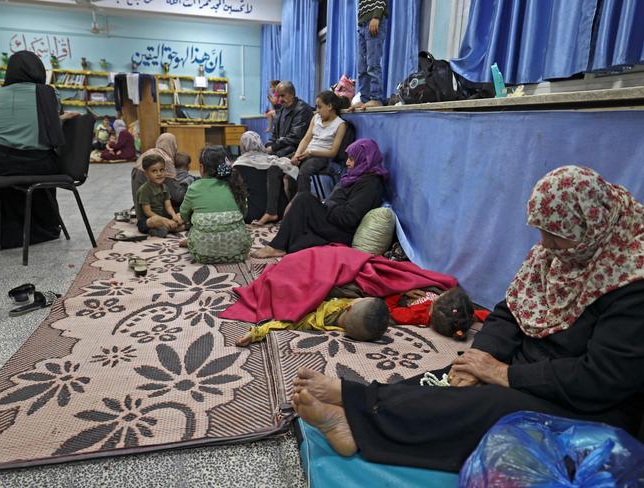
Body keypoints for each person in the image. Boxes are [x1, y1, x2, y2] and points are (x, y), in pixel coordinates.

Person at [291, 165, 644, 472]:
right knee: (449, 379)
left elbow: (603, 377)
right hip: (533, 368)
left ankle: (357, 424)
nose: (545, 244)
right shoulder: (559, 254)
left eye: (555, 235)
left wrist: (505, 375)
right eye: (542, 232)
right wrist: (477, 360)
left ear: (590, 227)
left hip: (589, 403)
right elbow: (510, 312)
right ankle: (359, 400)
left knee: (491, 406)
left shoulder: (630, 281)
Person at [0, 50, 79, 249]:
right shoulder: (50, 94)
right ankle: (43, 228)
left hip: (2, 167)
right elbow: (42, 126)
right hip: (41, 167)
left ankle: (3, 233)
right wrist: (62, 119)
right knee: (46, 156)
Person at [252, 138, 387, 258]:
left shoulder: (370, 184)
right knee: (302, 211)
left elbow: (350, 217)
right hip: (333, 219)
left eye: (352, 159)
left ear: (365, 160)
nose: (347, 162)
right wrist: (325, 204)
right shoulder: (356, 177)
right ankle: (281, 244)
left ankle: (277, 246)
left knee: (304, 198)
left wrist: (327, 205)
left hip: (342, 230)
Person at [255, 91, 348, 226]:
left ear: (330, 106)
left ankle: (301, 213)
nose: (317, 110)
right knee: (275, 168)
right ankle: (272, 212)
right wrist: (297, 155)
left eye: (319, 107)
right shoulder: (316, 118)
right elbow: (305, 139)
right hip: (306, 153)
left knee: (303, 173)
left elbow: (333, 152)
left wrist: (311, 152)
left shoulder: (340, 125)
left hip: (321, 156)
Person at [178, 145, 251, 264]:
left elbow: (183, 215)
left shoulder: (194, 188)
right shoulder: (235, 184)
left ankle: (198, 239)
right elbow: (244, 213)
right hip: (239, 252)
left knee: (195, 216)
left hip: (202, 254)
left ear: (201, 168)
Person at [236, 297, 390, 346]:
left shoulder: (314, 320)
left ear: (349, 306)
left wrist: (256, 333)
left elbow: (286, 323)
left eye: (363, 298)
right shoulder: (352, 320)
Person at [263, 82, 313, 221]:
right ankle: (277, 209)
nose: (279, 100)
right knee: (259, 163)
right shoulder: (283, 109)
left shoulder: (303, 109)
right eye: (278, 96)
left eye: (282, 96)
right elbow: (275, 134)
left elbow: (296, 137)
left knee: (274, 168)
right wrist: (269, 145)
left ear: (292, 94)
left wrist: (273, 148)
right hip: (284, 149)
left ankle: (280, 212)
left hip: (298, 151)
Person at [385, 286, 490, 340]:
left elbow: (389, 309)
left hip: (409, 293)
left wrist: (401, 291)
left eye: (440, 296)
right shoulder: (462, 317)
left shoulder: (416, 314)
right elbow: (484, 314)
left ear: (431, 312)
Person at [130, 133, 186, 209]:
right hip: (154, 212)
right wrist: (187, 184)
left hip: (139, 208)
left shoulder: (147, 153)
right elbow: (177, 196)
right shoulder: (165, 160)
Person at [135, 154, 184, 237]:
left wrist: (174, 216)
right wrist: (165, 220)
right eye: (154, 171)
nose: (159, 174)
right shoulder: (144, 190)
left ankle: (166, 228)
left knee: (183, 212)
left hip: (162, 215)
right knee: (155, 220)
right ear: (146, 174)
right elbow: (148, 212)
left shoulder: (164, 187)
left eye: (162, 170)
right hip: (147, 220)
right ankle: (170, 228)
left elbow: (168, 207)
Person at [351, 0, 388, 110]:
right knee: (362, 67)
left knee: (373, 63)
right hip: (363, 24)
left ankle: (376, 98)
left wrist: (376, 17)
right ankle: (365, 99)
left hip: (373, 20)